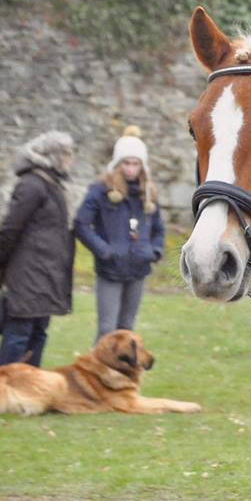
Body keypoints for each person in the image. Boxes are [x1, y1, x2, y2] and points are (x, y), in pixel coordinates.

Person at [74, 126, 165, 343]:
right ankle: (98, 375)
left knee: (127, 329)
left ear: (142, 166)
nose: (131, 169)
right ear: (117, 164)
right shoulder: (100, 191)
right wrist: (104, 251)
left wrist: (154, 251)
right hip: (111, 269)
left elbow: (159, 228)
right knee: (107, 329)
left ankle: (122, 376)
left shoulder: (148, 193)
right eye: (126, 163)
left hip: (138, 268)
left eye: (136, 163)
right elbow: (80, 223)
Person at [0, 131, 75, 367]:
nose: (70, 159)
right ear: (53, 156)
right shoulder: (32, 184)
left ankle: (28, 388)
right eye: (66, 154)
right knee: (19, 333)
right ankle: (4, 386)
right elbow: (9, 229)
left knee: (39, 332)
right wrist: (1, 263)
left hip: (46, 273)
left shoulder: (53, 184)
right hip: (27, 273)